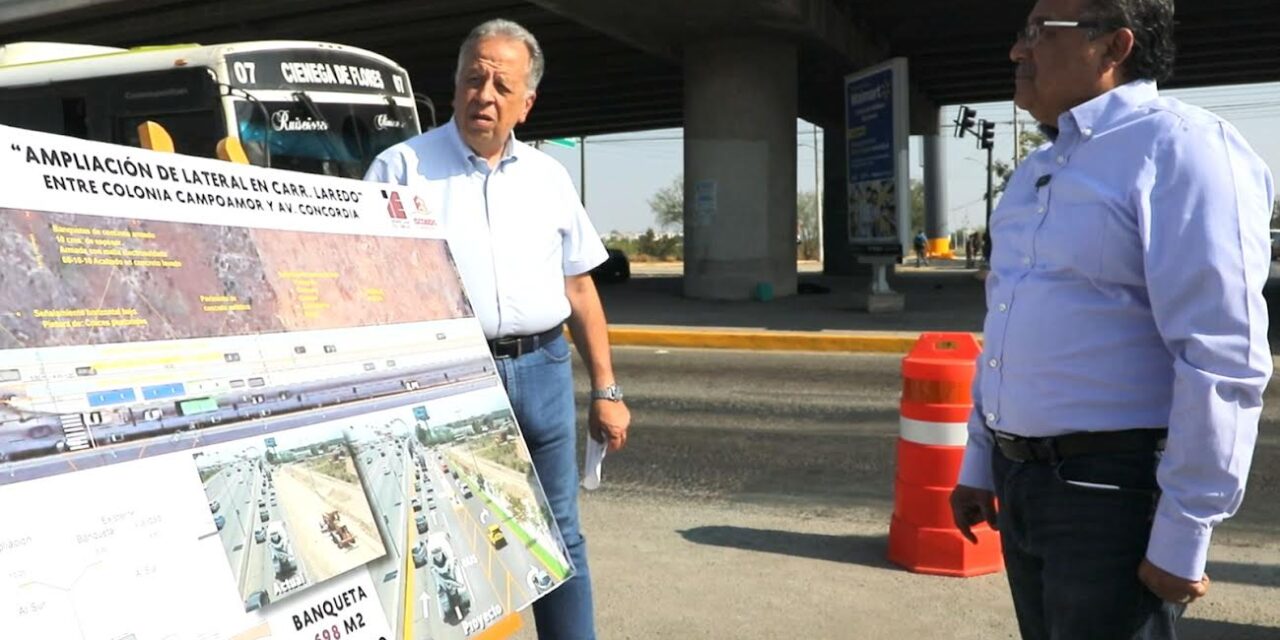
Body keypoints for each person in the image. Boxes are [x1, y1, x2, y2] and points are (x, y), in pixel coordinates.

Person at [949, 1, 1273, 639]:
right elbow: (1006, 326)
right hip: (1022, 482)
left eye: (1039, 32)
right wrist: (980, 464)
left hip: (1109, 495)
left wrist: (1185, 532)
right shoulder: (1036, 172)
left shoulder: (1180, 149)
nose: (1018, 50)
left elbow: (1220, 353)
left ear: (1113, 47)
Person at [364, 18, 631, 639]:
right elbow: (370, 291)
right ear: (456, 84)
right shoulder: (401, 169)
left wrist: (608, 390)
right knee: (450, 543)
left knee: (558, 536)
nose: (483, 95)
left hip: (544, 371)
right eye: (473, 79)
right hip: (451, 377)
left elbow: (579, 289)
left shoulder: (548, 177)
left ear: (526, 103)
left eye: (501, 86)